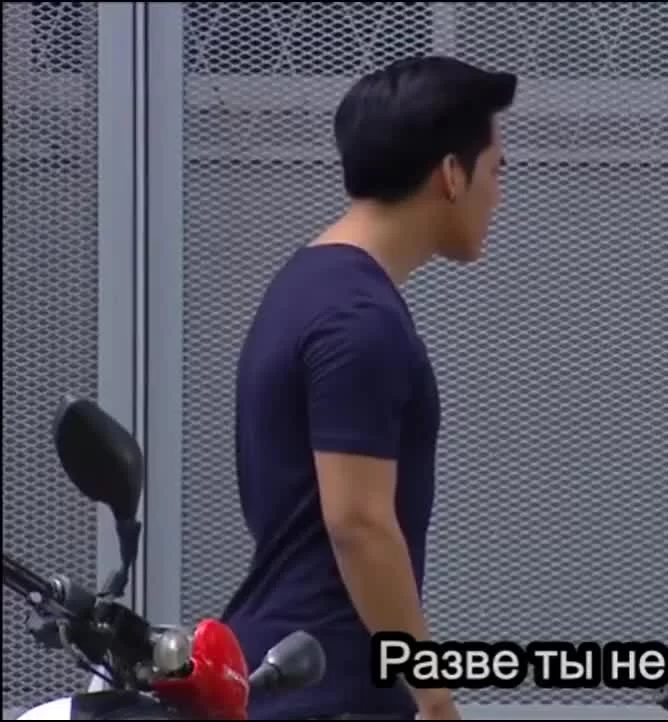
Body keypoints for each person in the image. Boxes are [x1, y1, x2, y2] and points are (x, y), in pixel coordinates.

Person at [221, 55, 517, 720]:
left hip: (292, 666)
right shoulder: (358, 320)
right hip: (327, 686)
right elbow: (358, 522)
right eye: (497, 170)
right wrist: (434, 696)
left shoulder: (309, 285)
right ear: (451, 174)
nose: (499, 194)